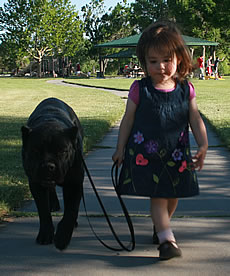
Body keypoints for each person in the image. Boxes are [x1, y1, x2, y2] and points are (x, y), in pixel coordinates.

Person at [112, 21, 208, 260]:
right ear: (144, 62)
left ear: (179, 58)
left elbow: (195, 119)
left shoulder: (186, 89)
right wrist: (120, 148)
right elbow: (128, 120)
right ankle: (166, 240)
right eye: (153, 61)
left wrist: (203, 145)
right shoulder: (139, 89)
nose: (161, 67)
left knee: (172, 195)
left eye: (166, 60)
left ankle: (161, 226)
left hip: (177, 153)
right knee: (158, 194)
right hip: (147, 154)